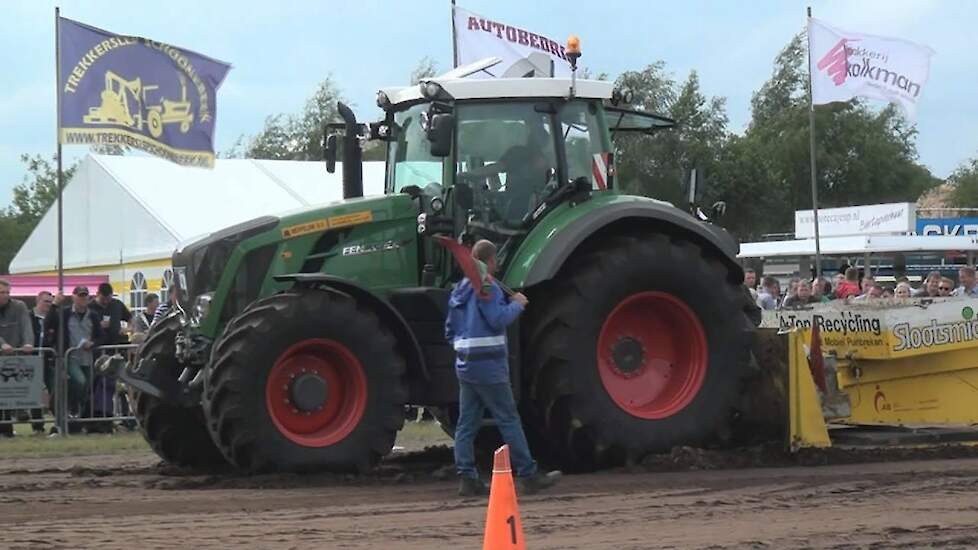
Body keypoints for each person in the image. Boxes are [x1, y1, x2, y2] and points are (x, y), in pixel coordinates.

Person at [445, 239, 561, 497]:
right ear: (489, 261)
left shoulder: (457, 291)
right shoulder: (489, 288)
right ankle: (529, 475)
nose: (496, 265)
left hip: (465, 367)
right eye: (495, 260)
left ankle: (467, 478)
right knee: (508, 419)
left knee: (466, 424)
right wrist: (517, 304)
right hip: (490, 367)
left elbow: (449, 331)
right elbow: (498, 320)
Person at [46, 286, 103, 420]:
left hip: (88, 357)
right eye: (80, 295)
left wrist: (93, 343)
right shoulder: (64, 313)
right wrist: (54, 304)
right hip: (70, 356)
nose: (83, 298)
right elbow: (48, 324)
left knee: (87, 387)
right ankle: (72, 406)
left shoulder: (93, 315)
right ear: (73, 297)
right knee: (80, 381)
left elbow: (101, 336)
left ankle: (76, 412)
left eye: (85, 296)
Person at [0, 279, 35, 437]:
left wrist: (28, 342)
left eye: (8, 292)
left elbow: (26, 325)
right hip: (3, 352)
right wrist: (2, 344)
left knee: (10, 393)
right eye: (2, 293)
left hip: (13, 357)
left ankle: (8, 430)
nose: (5, 296)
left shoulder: (19, 306)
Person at [27, 291, 55, 435]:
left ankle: (58, 423)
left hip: (48, 359)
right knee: (34, 394)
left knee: (54, 390)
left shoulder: (52, 318)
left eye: (51, 302)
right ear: (38, 300)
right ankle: (38, 427)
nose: (48, 305)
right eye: (46, 301)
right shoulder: (28, 316)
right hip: (31, 359)